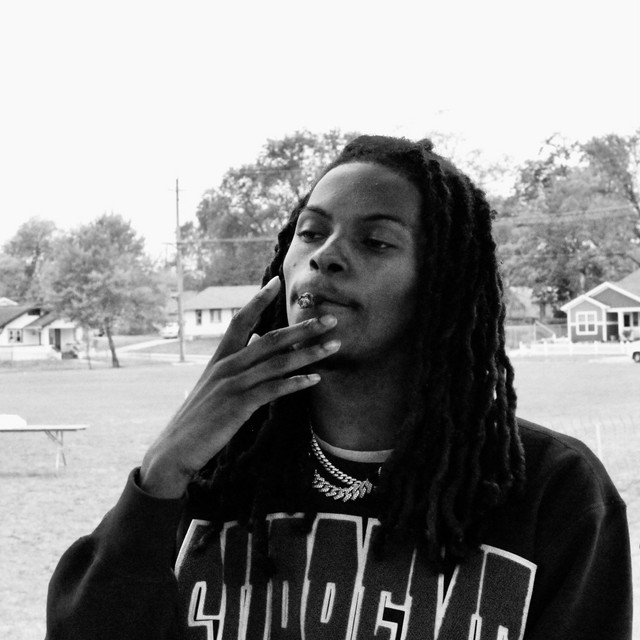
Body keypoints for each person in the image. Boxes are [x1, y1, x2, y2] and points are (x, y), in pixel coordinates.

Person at [46, 135, 632, 639]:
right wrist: (161, 472)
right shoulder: (210, 474)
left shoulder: (556, 492)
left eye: (376, 241)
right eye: (311, 232)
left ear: (441, 287)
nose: (325, 257)